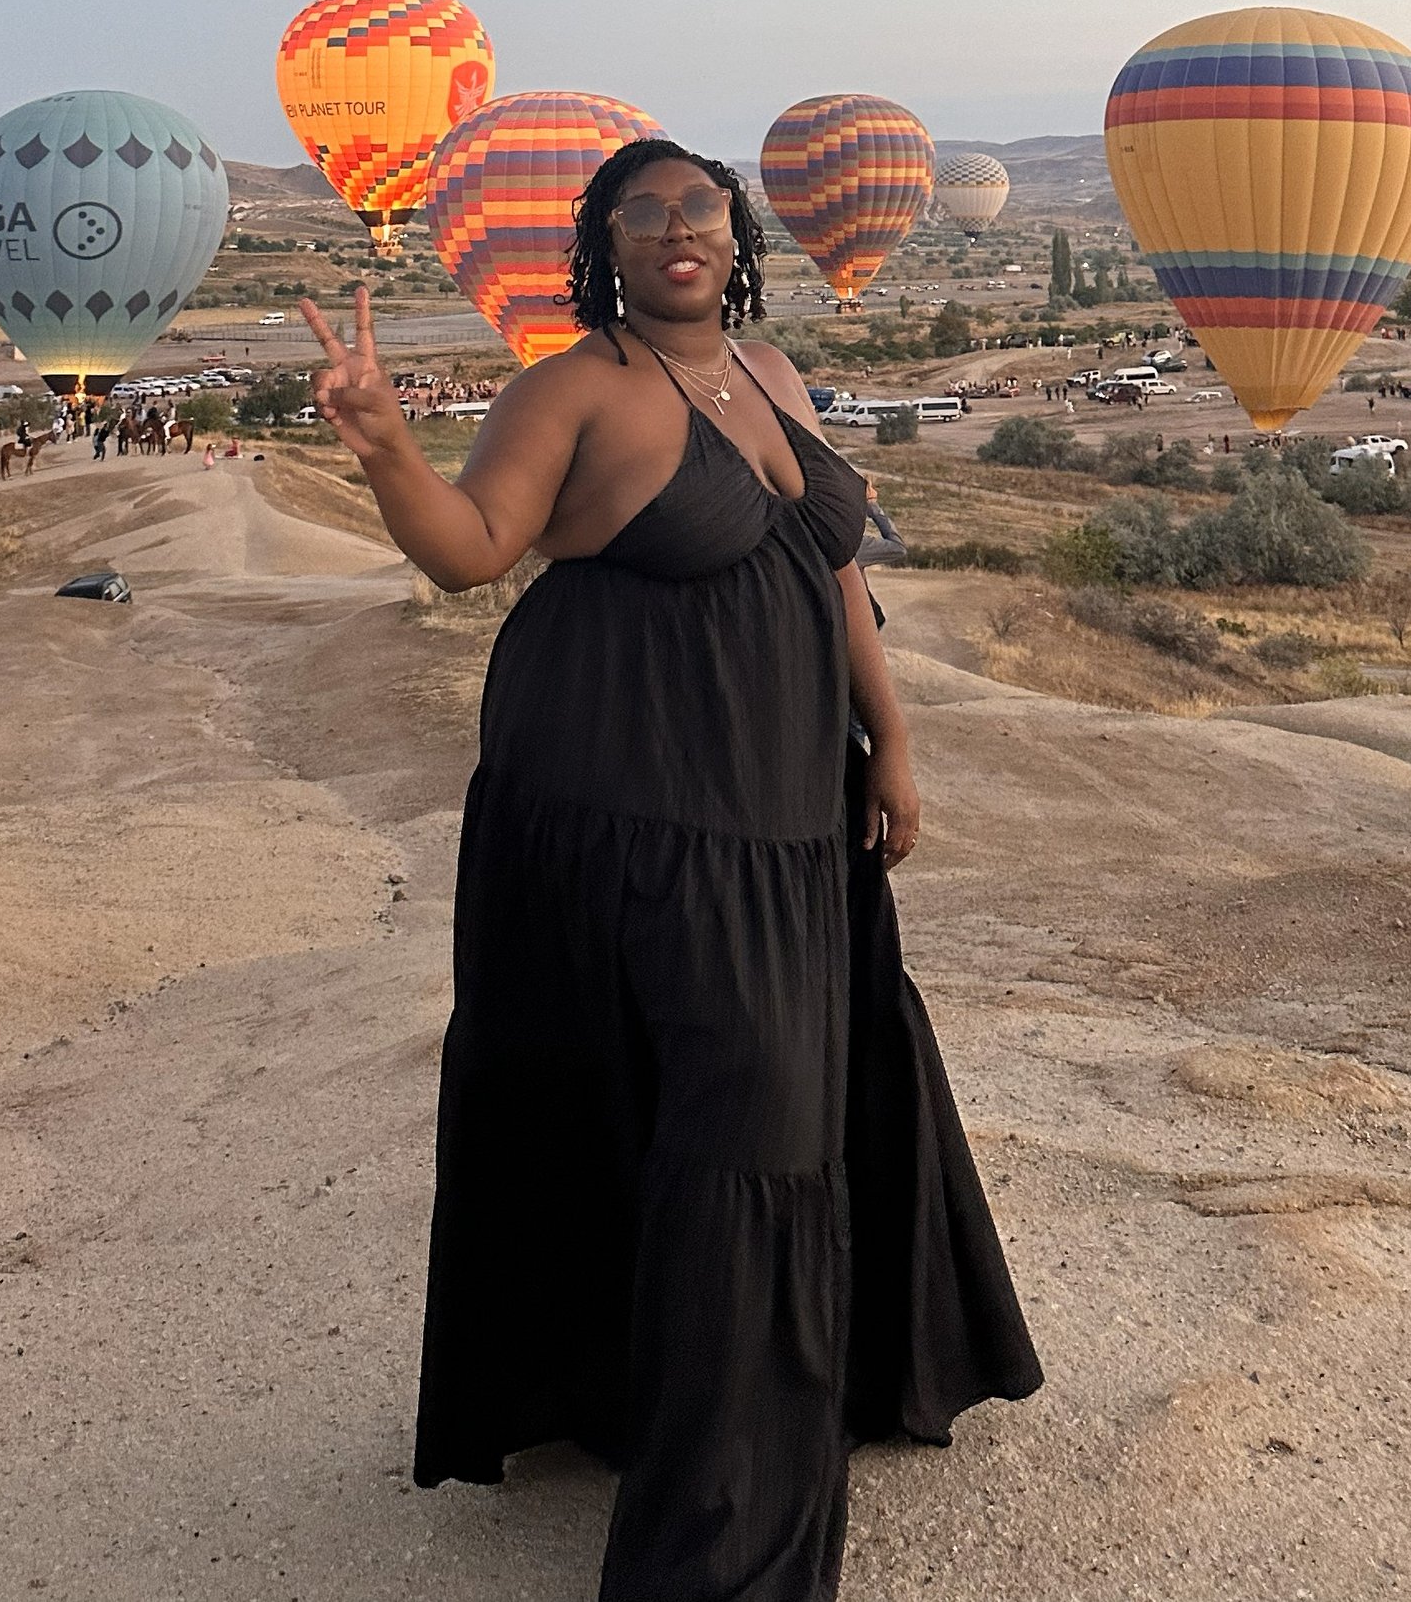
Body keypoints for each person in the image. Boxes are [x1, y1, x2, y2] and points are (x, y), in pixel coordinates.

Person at [299, 140, 1039, 1602]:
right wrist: (385, 443)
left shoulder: (774, 373)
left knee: (793, 1096)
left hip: (783, 808)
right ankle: (723, 1534)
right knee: (743, 1122)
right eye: (642, 213)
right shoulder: (573, 387)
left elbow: (839, 577)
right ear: (605, 247)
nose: (676, 229)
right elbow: (471, 551)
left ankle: (717, 1393)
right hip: (628, 807)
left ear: (737, 230)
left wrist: (887, 742)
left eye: (699, 206)